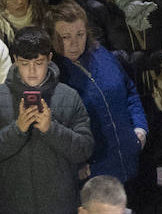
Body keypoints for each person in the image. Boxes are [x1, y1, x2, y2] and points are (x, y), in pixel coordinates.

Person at [50, 0, 147, 187]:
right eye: (65, 37)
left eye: (80, 34)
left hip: (131, 157)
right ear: (53, 37)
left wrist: (140, 128)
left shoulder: (101, 54)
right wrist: (76, 162)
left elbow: (130, 91)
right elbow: (57, 131)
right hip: (95, 172)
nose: (74, 43)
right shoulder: (54, 76)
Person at [0, 27, 94, 214]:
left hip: (60, 204)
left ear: (49, 58)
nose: (32, 71)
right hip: (13, 204)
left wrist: (51, 129)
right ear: (16, 60)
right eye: (25, 63)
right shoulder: (1, 97)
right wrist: (17, 130)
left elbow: (85, 149)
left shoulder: (69, 96)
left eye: (39, 62)